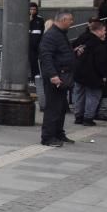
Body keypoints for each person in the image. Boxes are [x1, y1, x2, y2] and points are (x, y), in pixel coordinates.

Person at [39, 10, 77, 147]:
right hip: (55, 77)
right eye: (70, 20)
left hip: (63, 75)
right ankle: (48, 137)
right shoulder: (52, 35)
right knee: (53, 107)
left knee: (61, 107)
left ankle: (58, 133)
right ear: (63, 20)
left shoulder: (61, 34)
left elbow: (60, 54)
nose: (72, 22)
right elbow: (46, 56)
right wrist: (53, 75)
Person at [73, 18, 107, 126]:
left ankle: (78, 117)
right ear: (99, 30)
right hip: (93, 74)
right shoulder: (98, 44)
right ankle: (88, 118)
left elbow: (73, 49)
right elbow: (101, 62)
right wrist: (105, 75)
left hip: (79, 72)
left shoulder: (82, 38)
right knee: (93, 96)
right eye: (104, 30)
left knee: (79, 94)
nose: (105, 33)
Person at [28, 2, 45, 81]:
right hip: (27, 45)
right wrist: (29, 21)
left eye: (34, 9)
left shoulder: (40, 19)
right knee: (30, 61)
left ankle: (35, 78)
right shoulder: (26, 19)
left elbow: (41, 31)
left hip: (37, 44)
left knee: (35, 61)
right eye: (31, 9)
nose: (32, 11)